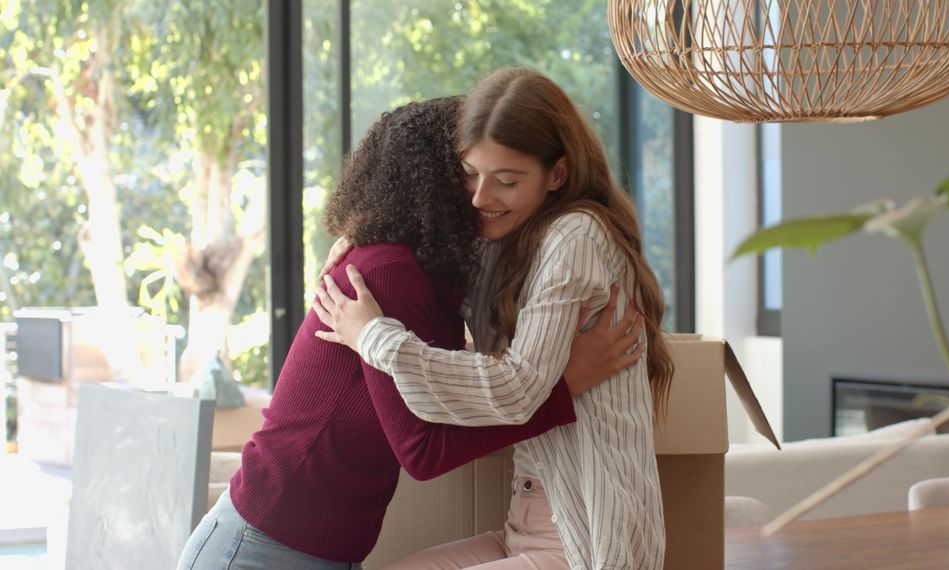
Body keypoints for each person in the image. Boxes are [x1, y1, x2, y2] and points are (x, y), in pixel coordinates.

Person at [176, 97, 635, 570]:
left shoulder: (433, 274)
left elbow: (445, 379)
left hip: (313, 548)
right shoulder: (388, 271)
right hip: (262, 547)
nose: (481, 192)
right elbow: (423, 446)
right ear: (435, 180)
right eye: (469, 171)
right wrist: (564, 388)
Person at [315, 66, 674, 570]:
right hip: (525, 525)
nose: (482, 197)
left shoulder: (576, 235)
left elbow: (517, 389)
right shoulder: (503, 241)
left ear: (558, 173)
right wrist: (367, 235)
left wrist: (374, 337)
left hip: (584, 539)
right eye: (469, 174)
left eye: (506, 180)